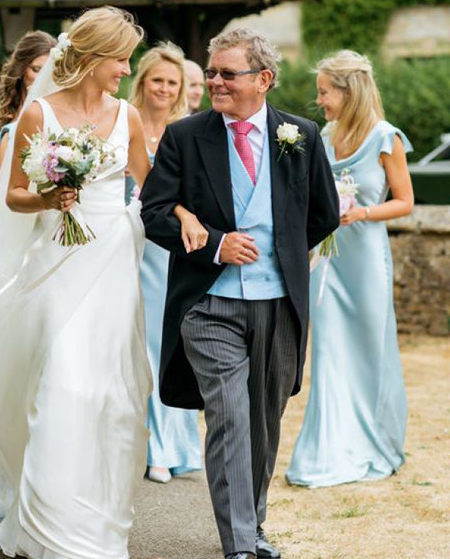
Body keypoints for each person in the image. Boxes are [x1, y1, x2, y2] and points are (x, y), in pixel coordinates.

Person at [0, 7, 206, 558]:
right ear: (95, 58)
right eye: (121, 59)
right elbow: (13, 197)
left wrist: (188, 217)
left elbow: (152, 191)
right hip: (57, 257)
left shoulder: (126, 116)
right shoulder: (40, 116)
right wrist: (52, 198)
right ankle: (44, 524)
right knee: (61, 383)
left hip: (113, 261)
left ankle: (98, 521)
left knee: (111, 395)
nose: (126, 70)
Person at [141, 29, 339, 559]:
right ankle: (239, 546)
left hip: (278, 305)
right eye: (211, 72)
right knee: (229, 415)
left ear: (264, 79)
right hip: (208, 305)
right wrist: (215, 247)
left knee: (263, 423)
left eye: (228, 73)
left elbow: (324, 213)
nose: (214, 82)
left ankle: (252, 526)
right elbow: (154, 214)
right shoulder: (186, 136)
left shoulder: (302, 135)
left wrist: (286, 257)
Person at [285, 50, 412, 488]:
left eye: (324, 92)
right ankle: (327, 448)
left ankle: (376, 441)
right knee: (330, 351)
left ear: (347, 90)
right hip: (328, 260)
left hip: (366, 261)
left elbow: (405, 201)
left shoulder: (385, 137)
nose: (319, 100)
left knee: (370, 348)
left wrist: (364, 214)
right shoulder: (323, 135)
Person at [126, 42, 203, 484]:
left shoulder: (186, 131)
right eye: (157, 79)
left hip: (161, 251)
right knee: (121, 342)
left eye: (172, 83)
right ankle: (126, 443)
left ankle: (165, 448)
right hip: (118, 243)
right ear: (144, 80)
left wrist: (183, 215)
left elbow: (187, 196)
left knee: (161, 343)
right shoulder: (123, 121)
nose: (164, 88)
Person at [0, 31, 56, 237]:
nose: (43, 77)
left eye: (49, 70)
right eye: (36, 70)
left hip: (45, 224)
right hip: (2, 219)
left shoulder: (59, 115)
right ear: (21, 69)